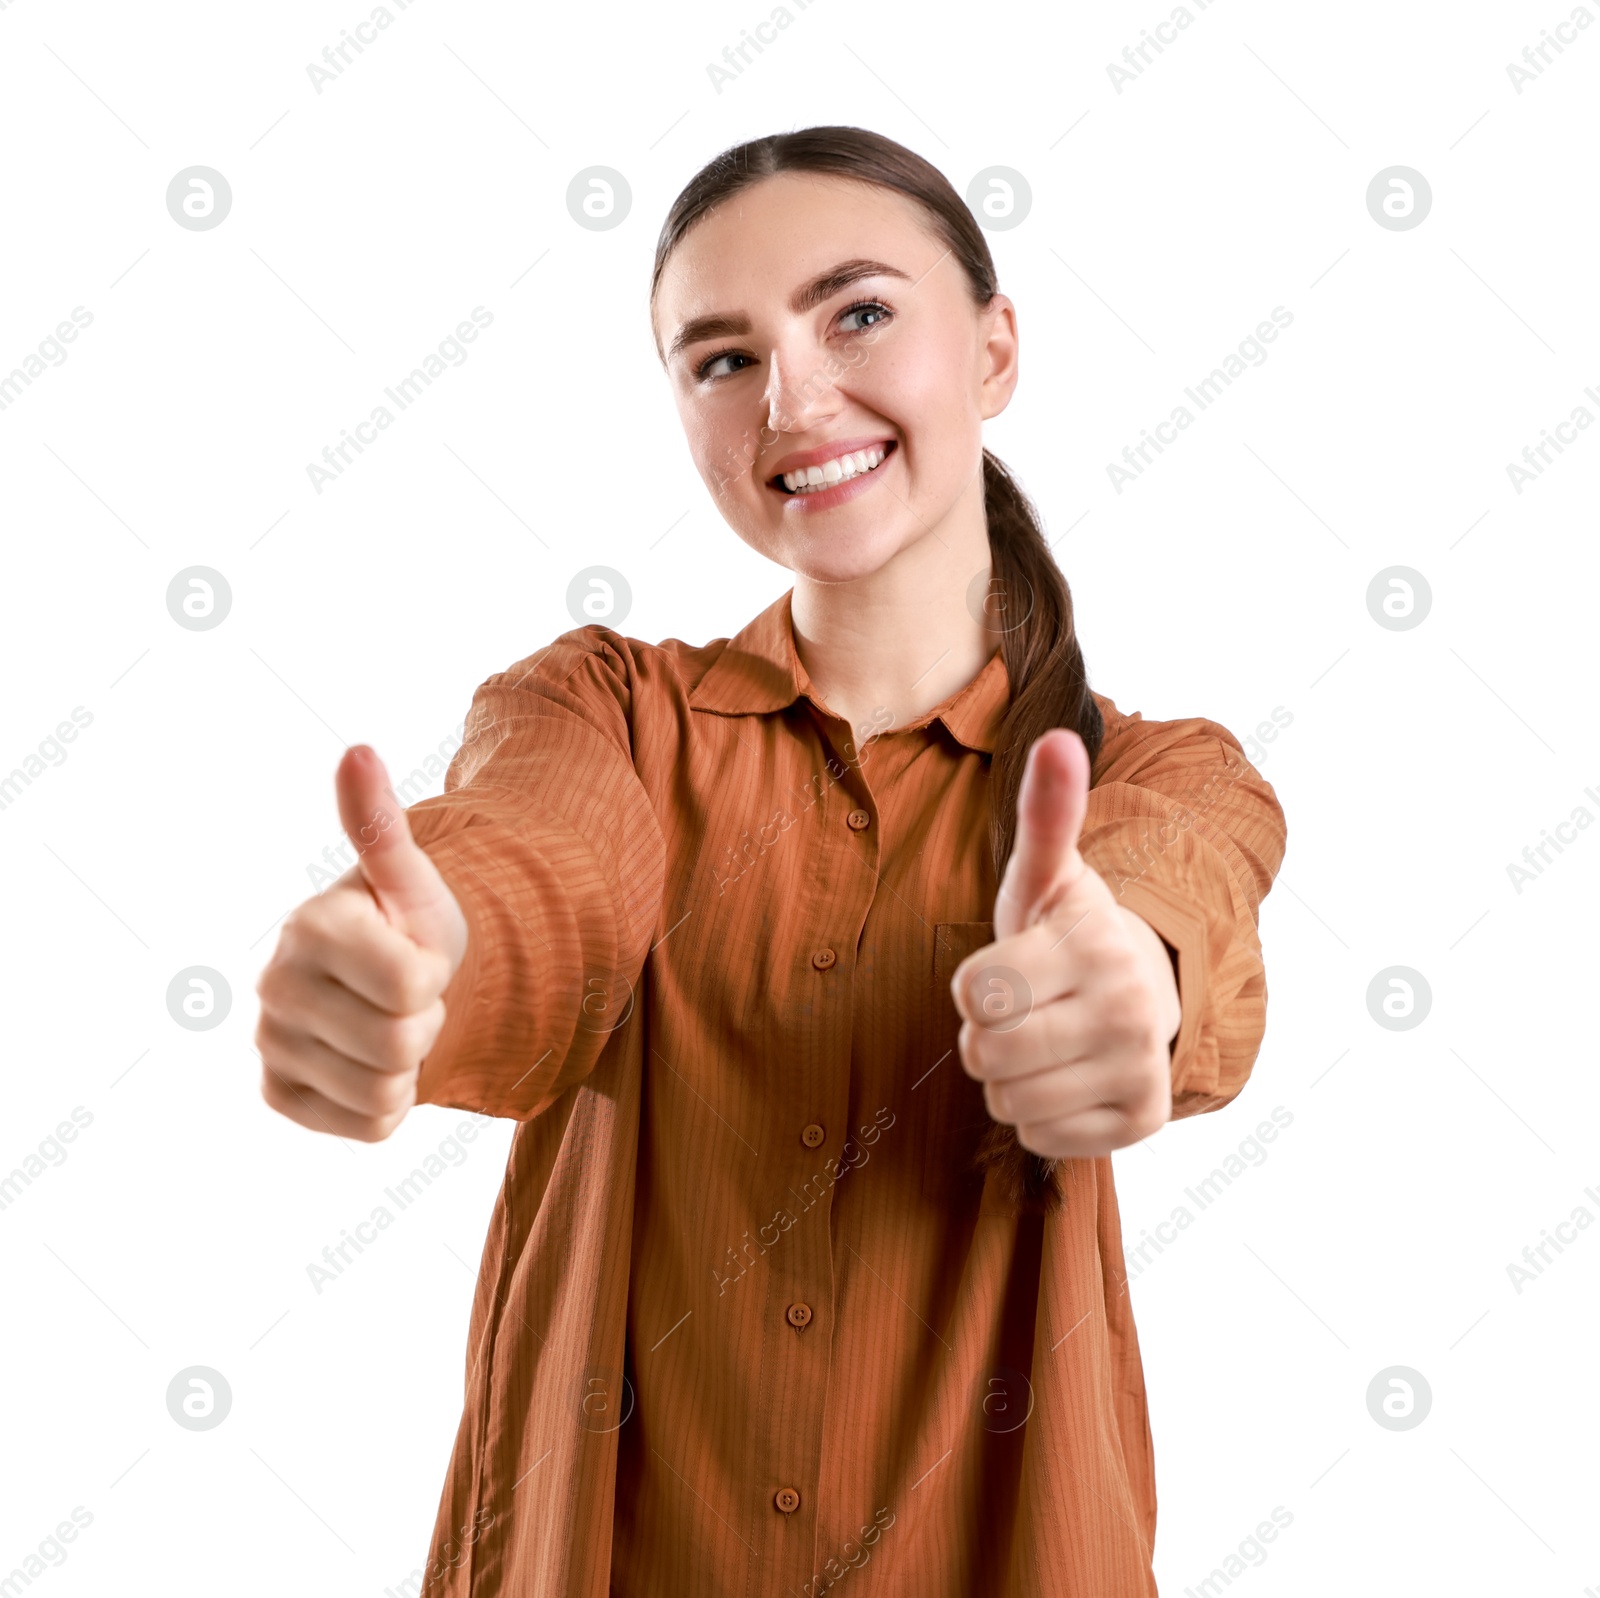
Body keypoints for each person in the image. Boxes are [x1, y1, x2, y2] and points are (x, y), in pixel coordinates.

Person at [255, 125, 1288, 1598]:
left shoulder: (1153, 772)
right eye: (721, 358)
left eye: (857, 312)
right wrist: (425, 966)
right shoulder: (602, 709)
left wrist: (1123, 983)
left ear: (995, 349)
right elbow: (542, 872)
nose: (792, 399)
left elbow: (1176, 887)